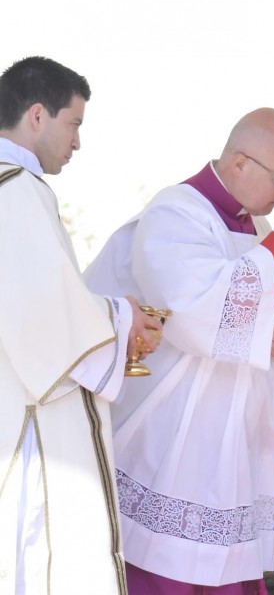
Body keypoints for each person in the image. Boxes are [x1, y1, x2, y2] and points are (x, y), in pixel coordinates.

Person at [82, 107, 274, 594]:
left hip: (226, 453)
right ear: (240, 163)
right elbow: (200, 317)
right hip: (171, 448)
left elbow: (252, 321)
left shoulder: (254, 226)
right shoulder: (174, 213)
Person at [0, 56, 162, 593]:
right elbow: (47, 317)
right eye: (74, 124)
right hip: (22, 420)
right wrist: (125, 316)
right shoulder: (16, 191)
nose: (77, 142)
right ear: (38, 115)